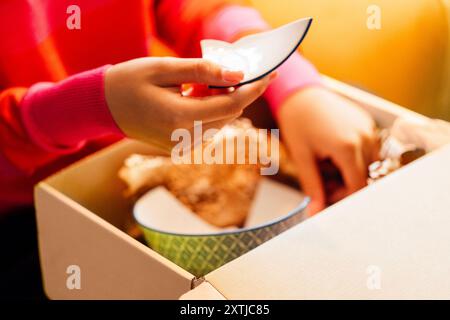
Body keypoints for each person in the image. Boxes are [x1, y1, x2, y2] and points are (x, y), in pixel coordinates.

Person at [0, 0, 378, 218]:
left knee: (352, 109)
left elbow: (194, 6)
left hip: (178, 113)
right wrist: (87, 108)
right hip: (27, 197)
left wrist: (298, 89)